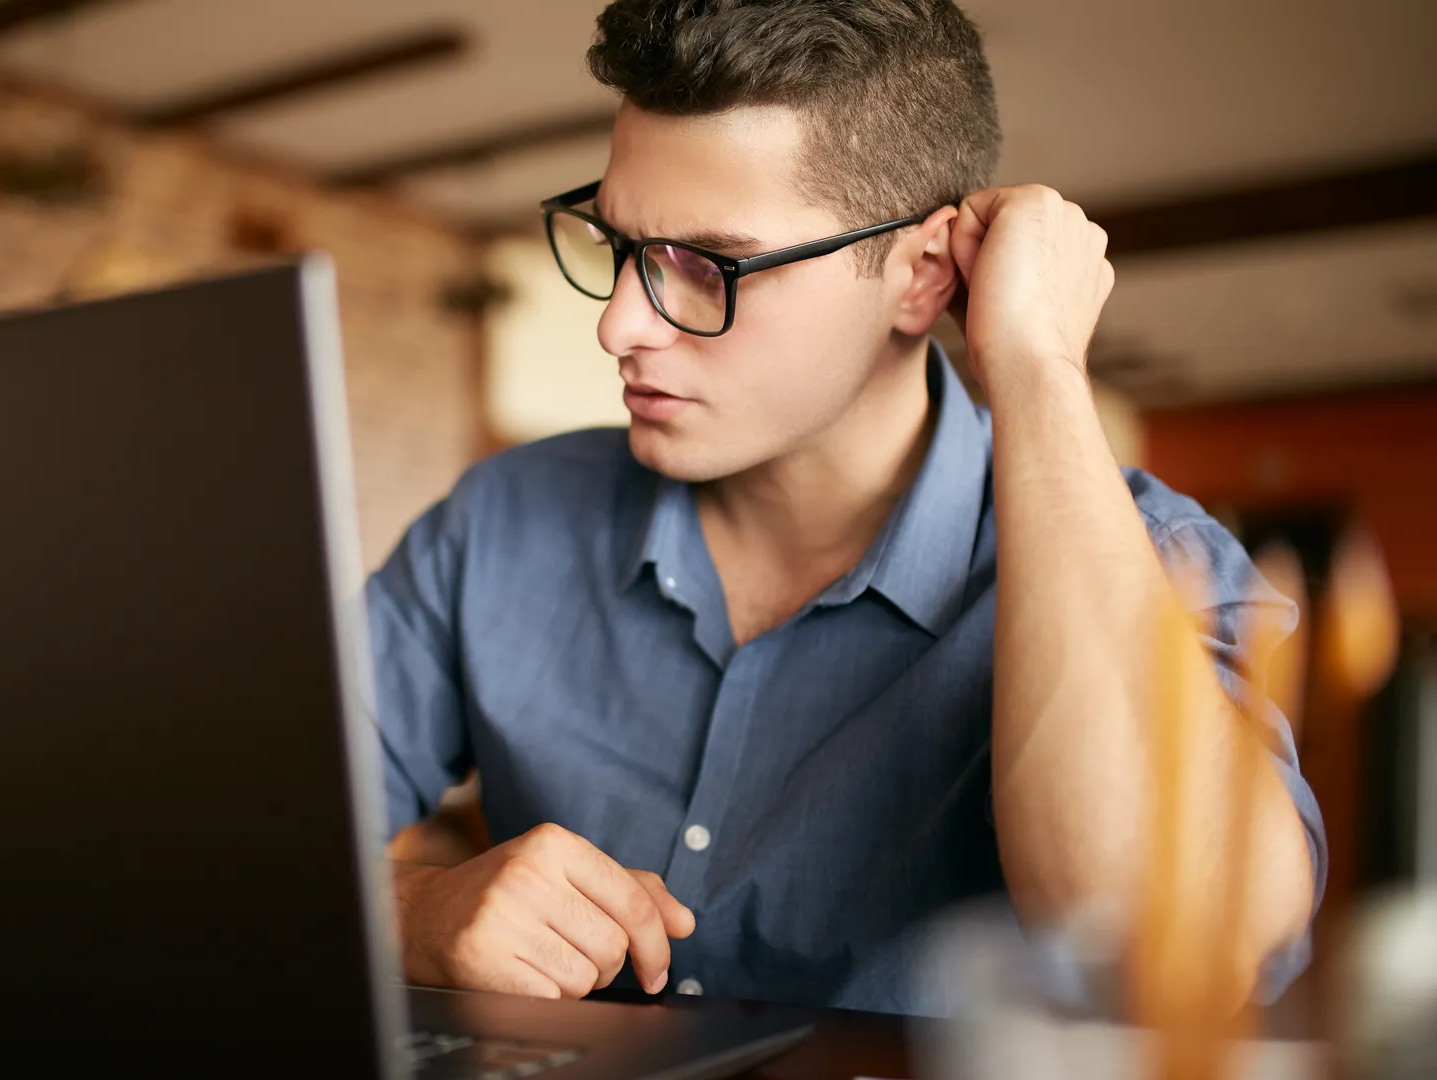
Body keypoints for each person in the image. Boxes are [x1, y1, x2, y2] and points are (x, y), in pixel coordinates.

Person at [368, 0, 1323, 1014]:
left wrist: (1038, 369)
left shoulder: (1154, 560)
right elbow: (218, 842)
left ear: (920, 279)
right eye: (621, 247)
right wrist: (413, 916)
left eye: (708, 267)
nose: (619, 326)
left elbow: (1170, 949)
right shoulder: (502, 520)